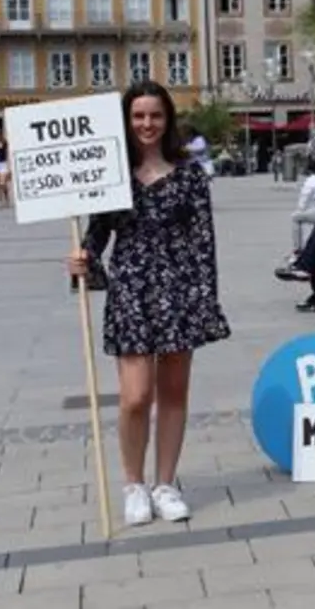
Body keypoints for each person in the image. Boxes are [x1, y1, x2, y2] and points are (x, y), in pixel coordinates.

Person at [65, 81, 230, 527]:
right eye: (138, 116)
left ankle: (165, 483)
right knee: (136, 397)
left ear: (168, 120)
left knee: (174, 393)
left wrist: (204, 302)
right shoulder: (109, 173)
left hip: (181, 291)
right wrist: (83, 259)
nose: (147, 124)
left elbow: (204, 243)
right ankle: (134, 484)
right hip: (133, 291)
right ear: (126, 120)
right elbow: (97, 236)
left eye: (155, 116)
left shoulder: (191, 173)